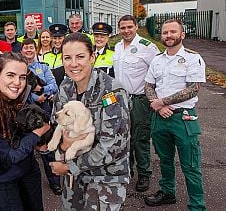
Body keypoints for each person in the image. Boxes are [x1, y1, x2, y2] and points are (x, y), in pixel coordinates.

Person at [49, 33, 130, 210]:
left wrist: (70, 166)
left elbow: (112, 146)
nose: (73, 64)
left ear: (92, 57)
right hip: (73, 180)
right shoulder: (65, 89)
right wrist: (61, 149)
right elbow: (56, 126)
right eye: (67, 58)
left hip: (104, 178)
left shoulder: (111, 92)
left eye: (80, 57)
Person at [144, 19, 206, 210]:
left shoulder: (192, 58)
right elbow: (148, 85)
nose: (168, 36)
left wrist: (162, 102)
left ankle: (197, 205)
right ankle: (168, 192)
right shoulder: (157, 59)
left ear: (182, 35)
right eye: (165, 32)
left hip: (183, 118)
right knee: (165, 160)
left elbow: (193, 89)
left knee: (191, 166)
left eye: (173, 32)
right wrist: (158, 106)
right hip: (160, 118)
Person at [0, 52, 50, 210]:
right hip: (3, 181)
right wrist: (38, 133)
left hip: (28, 172)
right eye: (10, 75)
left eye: (22, 77)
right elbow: (8, 157)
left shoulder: (22, 98)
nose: (17, 82)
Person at [112, 15, 160, 192]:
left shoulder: (147, 47)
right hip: (120, 99)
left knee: (140, 138)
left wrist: (155, 98)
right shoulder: (117, 46)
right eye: (122, 28)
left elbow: (158, 71)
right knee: (124, 138)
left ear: (136, 27)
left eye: (129, 27)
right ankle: (127, 171)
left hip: (139, 99)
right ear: (119, 29)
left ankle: (144, 174)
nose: (126, 31)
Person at [20, 38, 61, 195]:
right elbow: (19, 90)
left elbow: (54, 86)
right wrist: (36, 98)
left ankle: (54, 181)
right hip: (25, 113)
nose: (29, 50)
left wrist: (42, 89)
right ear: (22, 50)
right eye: (26, 48)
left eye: (31, 47)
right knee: (25, 148)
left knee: (47, 148)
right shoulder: (20, 69)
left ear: (35, 49)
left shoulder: (43, 67)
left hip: (42, 112)